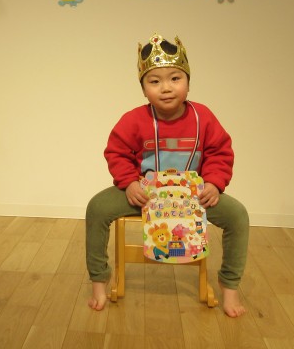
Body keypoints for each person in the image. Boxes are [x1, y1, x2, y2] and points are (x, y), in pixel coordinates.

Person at [85, 33, 249, 317]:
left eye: (175, 78)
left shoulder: (203, 117)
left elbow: (220, 151)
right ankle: (99, 280)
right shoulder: (133, 120)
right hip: (145, 195)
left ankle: (230, 286)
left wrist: (213, 183)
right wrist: (129, 183)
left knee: (238, 215)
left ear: (188, 82)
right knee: (97, 208)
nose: (166, 88)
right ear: (143, 89)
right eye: (154, 81)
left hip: (193, 198)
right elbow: (117, 152)